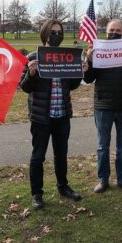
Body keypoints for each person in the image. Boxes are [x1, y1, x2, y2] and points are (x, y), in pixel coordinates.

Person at [20, 19, 85, 210]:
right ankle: (37, 194)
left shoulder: (67, 56)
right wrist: (31, 74)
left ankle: (63, 187)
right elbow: (24, 87)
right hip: (41, 116)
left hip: (62, 114)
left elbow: (72, 86)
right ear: (45, 34)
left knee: (61, 154)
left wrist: (80, 73)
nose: (56, 36)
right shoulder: (34, 57)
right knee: (38, 156)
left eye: (59, 32)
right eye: (53, 32)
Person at [84, 19, 122, 194]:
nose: (114, 33)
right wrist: (89, 60)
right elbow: (88, 79)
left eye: (118, 30)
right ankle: (103, 179)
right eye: (111, 30)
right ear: (106, 31)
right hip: (103, 105)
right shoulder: (97, 49)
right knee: (103, 145)